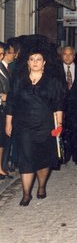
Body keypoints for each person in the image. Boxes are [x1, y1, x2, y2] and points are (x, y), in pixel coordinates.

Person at [5, 47, 66, 206]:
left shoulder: (52, 81)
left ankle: (41, 186)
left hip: (45, 125)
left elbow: (58, 103)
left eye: (38, 59)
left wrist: (59, 125)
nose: (35, 62)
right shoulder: (19, 80)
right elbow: (11, 101)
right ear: (27, 62)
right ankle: (26, 194)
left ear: (44, 62)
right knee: (26, 159)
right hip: (23, 125)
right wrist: (8, 122)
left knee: (43, 158)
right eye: (32, 59)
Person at [0, 43, 12, 179]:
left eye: (2, 53)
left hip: (3, 109)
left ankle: (0, 167)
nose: (1, 56)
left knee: (2, 138)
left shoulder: (2, 67)